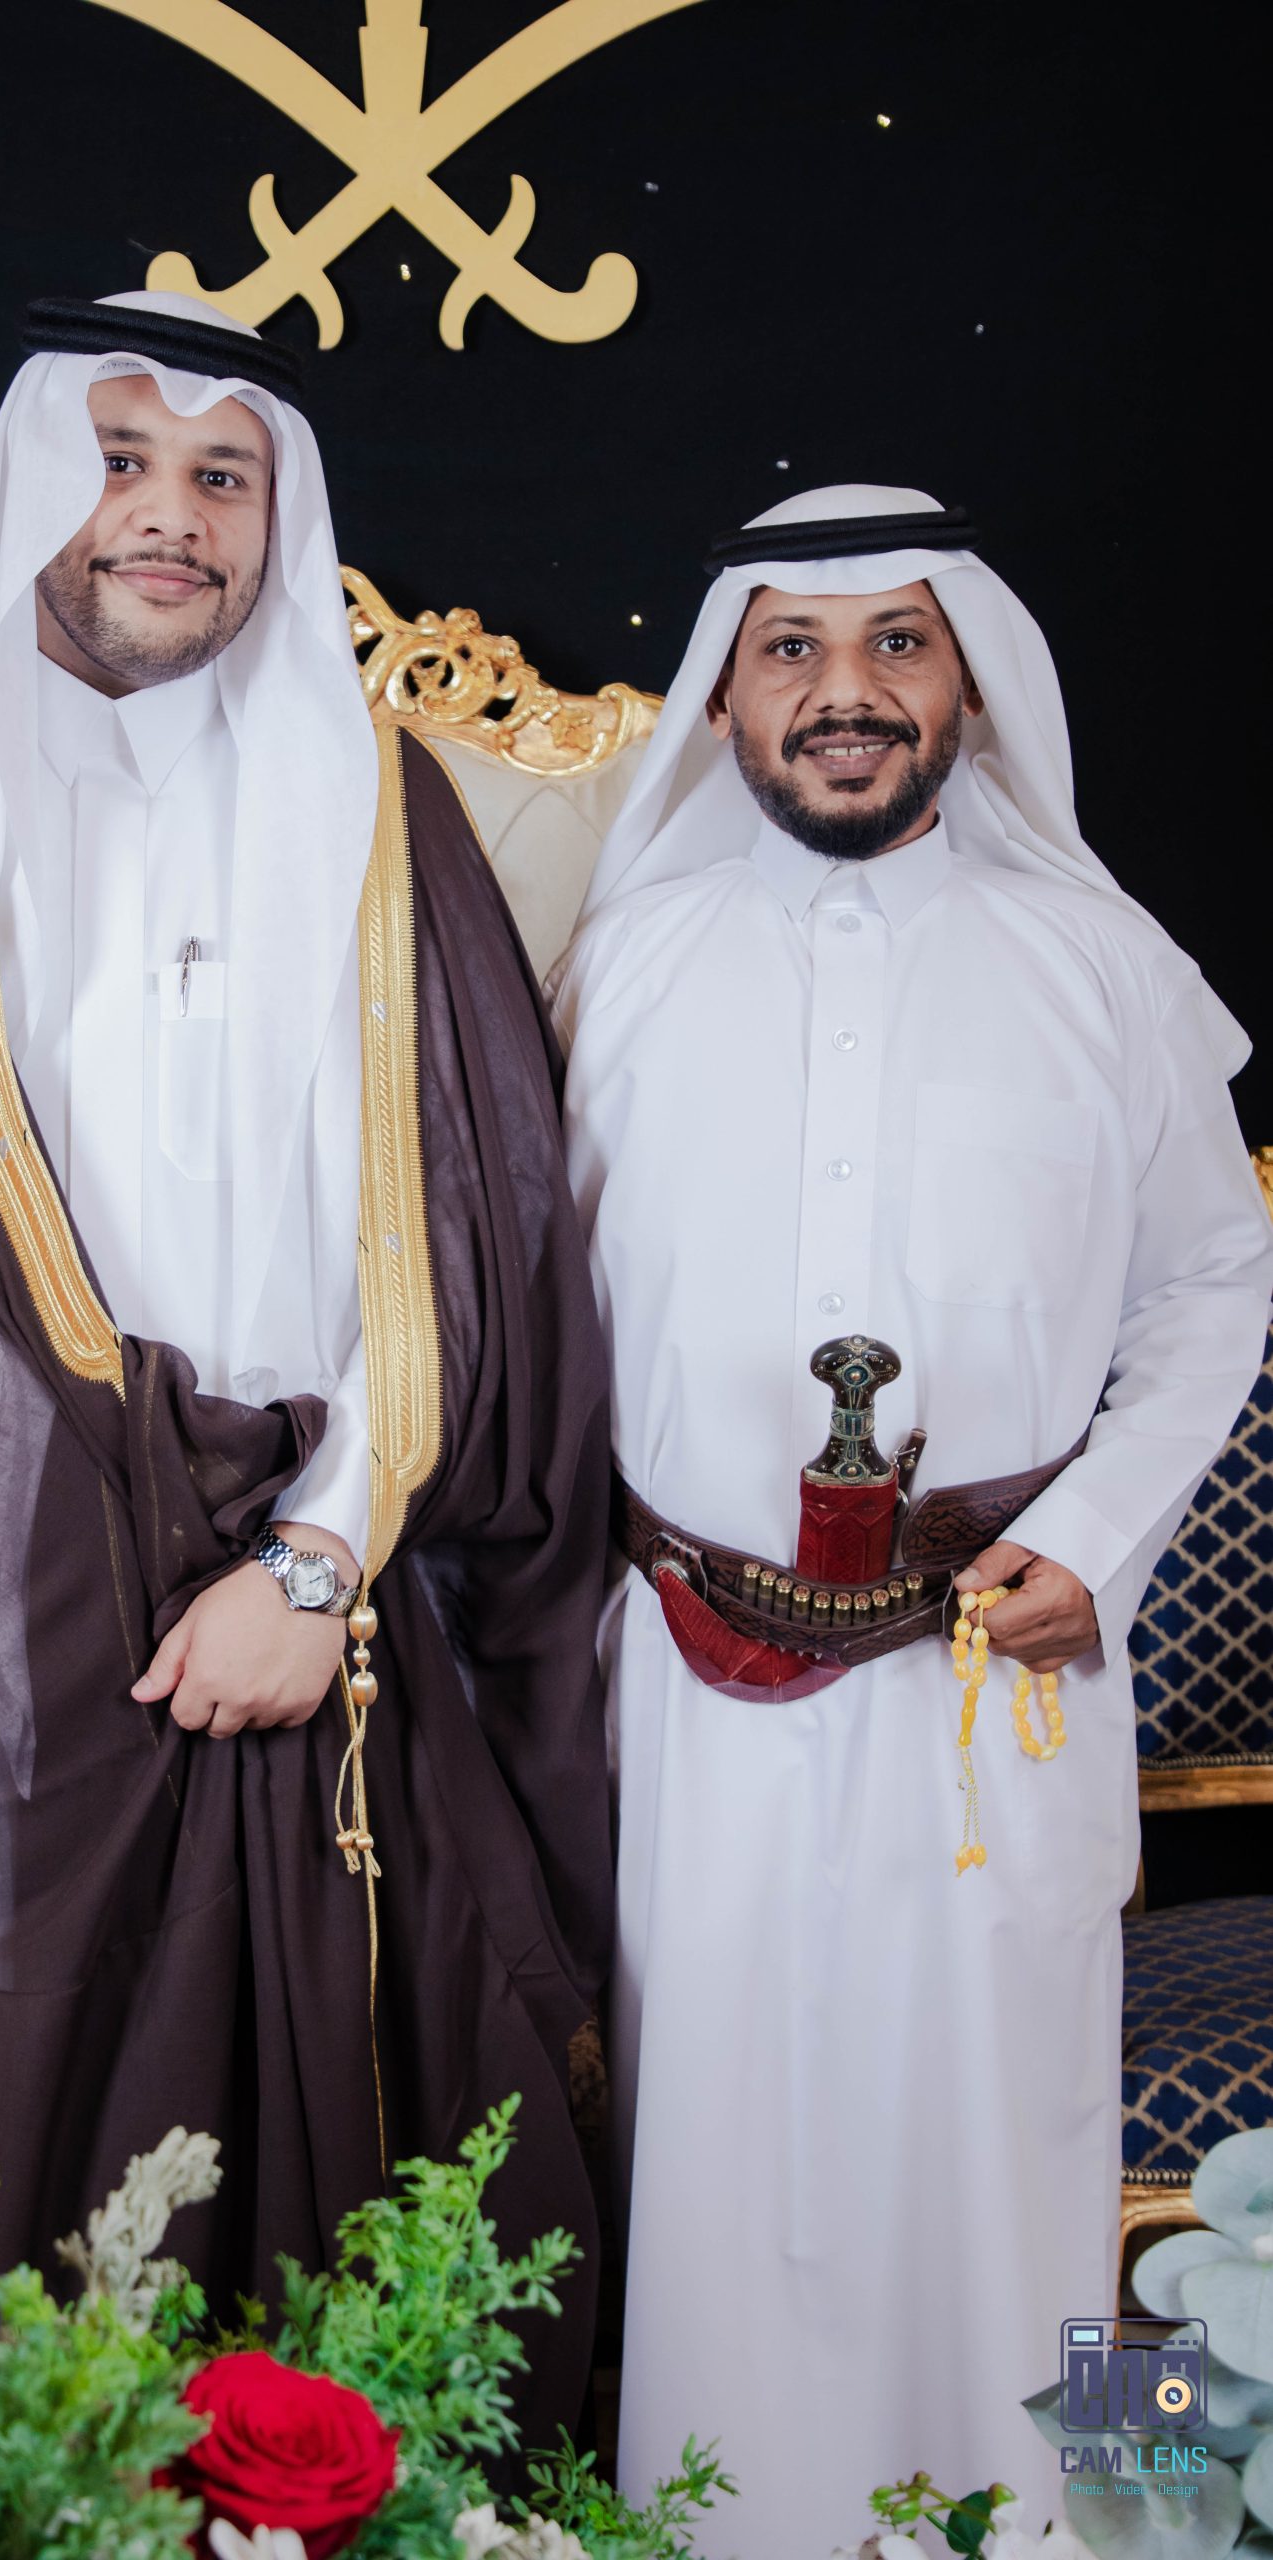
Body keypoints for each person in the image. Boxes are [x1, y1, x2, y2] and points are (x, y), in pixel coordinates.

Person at [0, 292, 612, 2437]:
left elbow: (472, 1232)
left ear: (277, 520)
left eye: (220, 477)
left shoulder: (382, 818)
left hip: (306, 1600)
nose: (168, 516)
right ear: (31, 489)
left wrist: (322, 1558)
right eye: (120, 460)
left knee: (313, 2197)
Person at [550, 485, 1273, 2550]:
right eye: (790, 646)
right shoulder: (620, 966)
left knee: (1014, 2148)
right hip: (688, 1673)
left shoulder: (1103, 965)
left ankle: (1092, 2531)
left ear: (967, 683)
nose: (843, 690)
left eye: (896, 643)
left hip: (998, 1675)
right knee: (718, 2161)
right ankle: (712, 2531)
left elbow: (1212, 1279)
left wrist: (1101, 1537)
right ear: (724, 695)